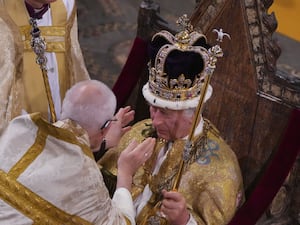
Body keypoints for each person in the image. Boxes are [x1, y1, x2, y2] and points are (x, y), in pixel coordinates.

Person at [99, 15, 244, 225]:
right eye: (153, 109)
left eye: (165, 113)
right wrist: (103, 146)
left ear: (192, 113)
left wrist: (184, 221)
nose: (154, 122)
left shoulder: (222, 169)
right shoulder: (140, 131)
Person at [0, 79, 156, 225]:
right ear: (106, 127)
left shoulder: (19, 129)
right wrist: (125, 174)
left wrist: (101, 142)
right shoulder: (86, 176)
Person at [0, 0, 90, 132]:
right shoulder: (4, 11)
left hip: (60, 113)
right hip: (16, 118)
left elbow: (74, 62)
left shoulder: (65, 6)